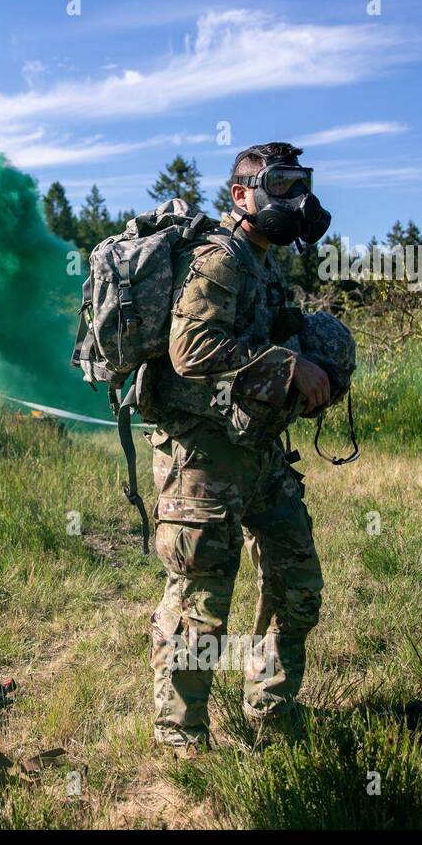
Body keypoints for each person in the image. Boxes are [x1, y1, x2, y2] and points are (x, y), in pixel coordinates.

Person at [147, 142, 333, 754]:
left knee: (295, 580)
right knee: (202, 606)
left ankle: (272, 714)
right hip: (203, 460)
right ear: (241, 194)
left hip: (259, 453)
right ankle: (182, 743)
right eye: (278, 185)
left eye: (298, 183)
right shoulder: (220, 258)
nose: (293, 199)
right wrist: (287, 367)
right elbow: (191, 352)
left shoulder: (264, 261)